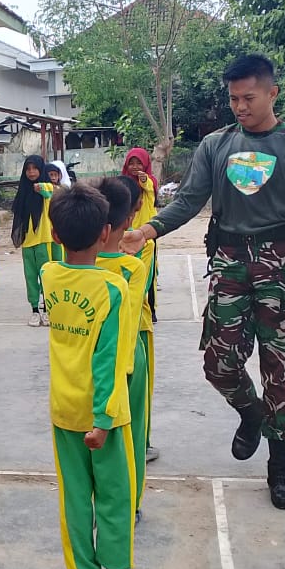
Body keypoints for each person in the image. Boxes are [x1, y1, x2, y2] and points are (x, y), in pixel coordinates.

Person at [122, 54, 285, 510]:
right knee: (218, 364)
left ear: (273, 93)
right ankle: (251, 413)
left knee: (280, 372)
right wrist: (146, 231)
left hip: (283, 268)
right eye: (234, 99)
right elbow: (190, 201)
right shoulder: (216, 146)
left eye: (249, 98)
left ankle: (280, 469)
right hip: (230, 263)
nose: (240, 106)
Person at [42, 186, 135, 569]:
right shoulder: (114, 289)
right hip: (107, 416)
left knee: (76, 497)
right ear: (105, 233)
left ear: (55, 235)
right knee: (115, 494)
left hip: (64, 410)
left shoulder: (48, 275)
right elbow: (111, 361)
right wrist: (102, 419)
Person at [92, 178, 153, 519]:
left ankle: (102, 497)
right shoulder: (132, 266)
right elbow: (128, 323)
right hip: (128, 358)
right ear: (129, 219)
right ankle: (131, 502)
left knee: (97, 431)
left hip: (90, 358)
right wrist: (126, 367)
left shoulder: (75, 263)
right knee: (131, 432)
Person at [117, 176, 161, 466]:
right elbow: (142, 286)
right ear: (135, 209)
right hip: (137, 327)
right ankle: (140, 444)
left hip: (100, 326)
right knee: (139, 393)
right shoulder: (142, 244)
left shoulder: (95, 241)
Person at [11, 154, 56, 327]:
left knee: (46, 276)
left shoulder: (46, 187)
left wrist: (40, 188)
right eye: (28, 169)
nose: (31, 172)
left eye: (34, 168)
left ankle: (47, 310)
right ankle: (35, 310)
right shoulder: (23, 191)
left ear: (41, 169)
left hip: (44, 239)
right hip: (28, 242)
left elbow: (48, 190)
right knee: (30, 277)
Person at [123, 148, 159, 324]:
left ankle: (150, 308)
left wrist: (142, 178)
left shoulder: (149, 181)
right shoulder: (123, 183)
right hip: (127, 233)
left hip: (148, 233)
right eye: (132, 163)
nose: (135, 166)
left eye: (139, 163)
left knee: (149, 273)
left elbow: (148, 184)